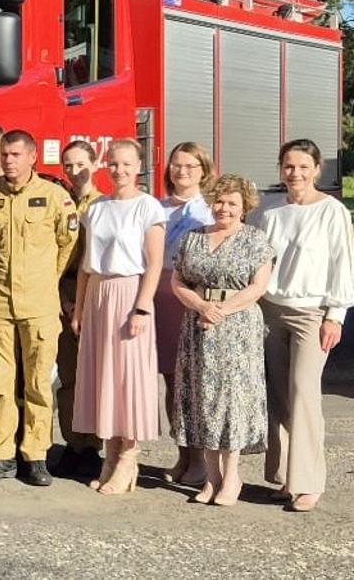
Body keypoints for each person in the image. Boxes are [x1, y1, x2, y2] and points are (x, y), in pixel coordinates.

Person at [248, 138, 354, 513]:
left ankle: (309, 482)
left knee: (304, 393)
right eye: (289, 166)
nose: (295, 173)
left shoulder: (332, 212)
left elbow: (343, 264)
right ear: (281, 169)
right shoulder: (269, 211)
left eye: (303, 166)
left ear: (316, 170)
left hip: (311, 313)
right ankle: (284, 478)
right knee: (277, 397)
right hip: (270, 310)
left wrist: (335, 315)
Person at [0, 130, 77, 484]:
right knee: (0, 383)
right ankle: (0, 454)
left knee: (37, 384)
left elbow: (67, 247)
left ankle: (36, 455)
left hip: (40, 306)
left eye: (16, 154)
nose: (9, 160)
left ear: (32, 157)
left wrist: (43, 281)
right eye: (5, 154)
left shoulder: (56, 198)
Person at [169, 174, 274, 507]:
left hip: (237, 327)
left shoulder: (255, 240)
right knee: (202, 400)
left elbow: (259, 286)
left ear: (244, 207)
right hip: (198, 325)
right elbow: (178, 280)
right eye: (219, 201)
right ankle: (211, 478)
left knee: (231, 402)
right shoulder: (193, 238)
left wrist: (222, 309)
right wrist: (201, 305)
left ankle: (232, 478)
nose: (224, 208)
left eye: (232, 203)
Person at [72, 139, 167, 493]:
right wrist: (80, 309)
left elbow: (154, 263)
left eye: (127, 164)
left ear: (139, 166)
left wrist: (142, 306)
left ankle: (128, 458)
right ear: (104, 166)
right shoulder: (97, 209)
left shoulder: (149, 208)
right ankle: (110, 455)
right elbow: (85, 265)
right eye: (113, 163)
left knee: (127, 378)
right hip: (99, 293)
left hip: (130, 294)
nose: (119, 170)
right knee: (103, 377)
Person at [157, 142, 216, 487]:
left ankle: (199, 460)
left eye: (191, 166)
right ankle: (181, 452)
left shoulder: (208, 211)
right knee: (170, 382)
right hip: (160, 296)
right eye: (177, 165)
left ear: (203, 171)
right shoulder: (158, 207)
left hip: (190, 297)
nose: (182, 171)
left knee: (193, 382)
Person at [53, 140, 104, 478]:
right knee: (68, 377)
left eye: (80, 164)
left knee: (96, 377)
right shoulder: (59, 202)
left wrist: (82, 305)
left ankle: (94, 446)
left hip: (95, 293)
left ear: (95, 162)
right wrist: (64, 300)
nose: (74, 171)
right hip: (63, 289)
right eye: (68, 165)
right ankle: (73, 444)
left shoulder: (105, 205)